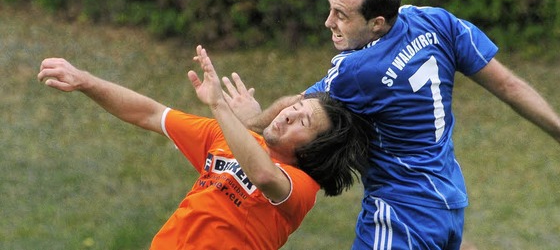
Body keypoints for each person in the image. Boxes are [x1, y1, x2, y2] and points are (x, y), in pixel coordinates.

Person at [235, 0, 560, 250]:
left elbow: (298, 108)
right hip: (449, 202)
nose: (328, 22)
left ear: (377, 23)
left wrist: (250, 118)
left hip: (401, 214)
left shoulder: (357, 71)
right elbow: (507, 83)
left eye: (341, 15)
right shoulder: (437, 23)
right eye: (331, 8)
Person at [37, 45, 370, 250]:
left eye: (302, 123)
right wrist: (86, 81)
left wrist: (221, 108)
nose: (286, 117)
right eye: (292, 110)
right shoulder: (227, 138)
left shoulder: (300, 189)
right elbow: (151, 114)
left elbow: (262, 173)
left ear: (317, 149)